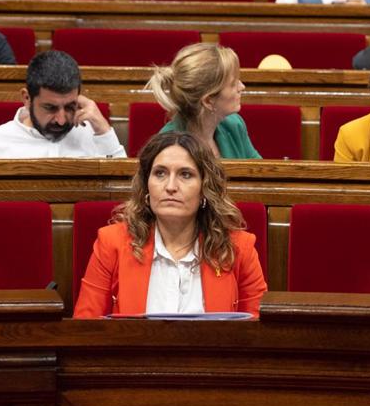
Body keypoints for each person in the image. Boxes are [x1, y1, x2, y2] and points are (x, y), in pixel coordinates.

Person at [73, 131, 267, 318]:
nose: (171, 186)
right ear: (146, 185)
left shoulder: (239, 247)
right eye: (160, 173)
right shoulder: (111, 243)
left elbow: (257, 332)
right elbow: (85, 328)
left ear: (204, 189)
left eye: (185, 174)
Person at [0, 50, 126, 158]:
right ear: (27, 98)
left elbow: (126, 193)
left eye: (70, 107)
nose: (61, 120)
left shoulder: (95, 136)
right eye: (50, 108)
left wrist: (104, 131)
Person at [148, 43, 260, 159]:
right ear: (208, 101)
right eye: (233, 84)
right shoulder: (169, 146)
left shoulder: (234, 125)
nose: (242, 86)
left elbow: (260, 172)